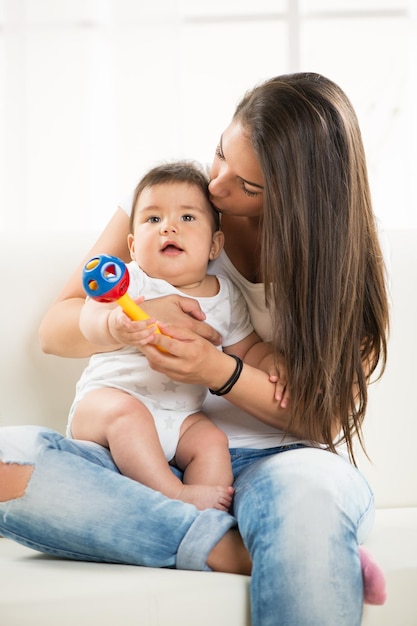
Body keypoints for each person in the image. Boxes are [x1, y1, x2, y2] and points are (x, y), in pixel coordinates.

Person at [0, 72, 389, 625]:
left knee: (308, 510)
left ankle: (265, 537)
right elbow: (55, 329)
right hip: (134, 462)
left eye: (248, 188)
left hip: (280, 461)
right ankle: (232, 548)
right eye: (219, 155)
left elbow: (323, 419)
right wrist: (128, 318)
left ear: (299, 198)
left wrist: (219, 369)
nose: (218, 188)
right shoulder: (167, 201)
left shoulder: (342, 264)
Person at [68, 161, 283, 512]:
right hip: (107, 405)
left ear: (215, 245)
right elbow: (88, 316)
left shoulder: (225, 296)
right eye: (153, 220)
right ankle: (173, 496)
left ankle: (207, 518)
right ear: (133, 247)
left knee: (212, 440)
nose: (169, 227)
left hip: (179, 417)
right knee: (129, 415)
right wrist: (112, 325)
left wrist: (272, 362)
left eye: (187, 218)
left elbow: (246, 349)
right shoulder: (131, 281)